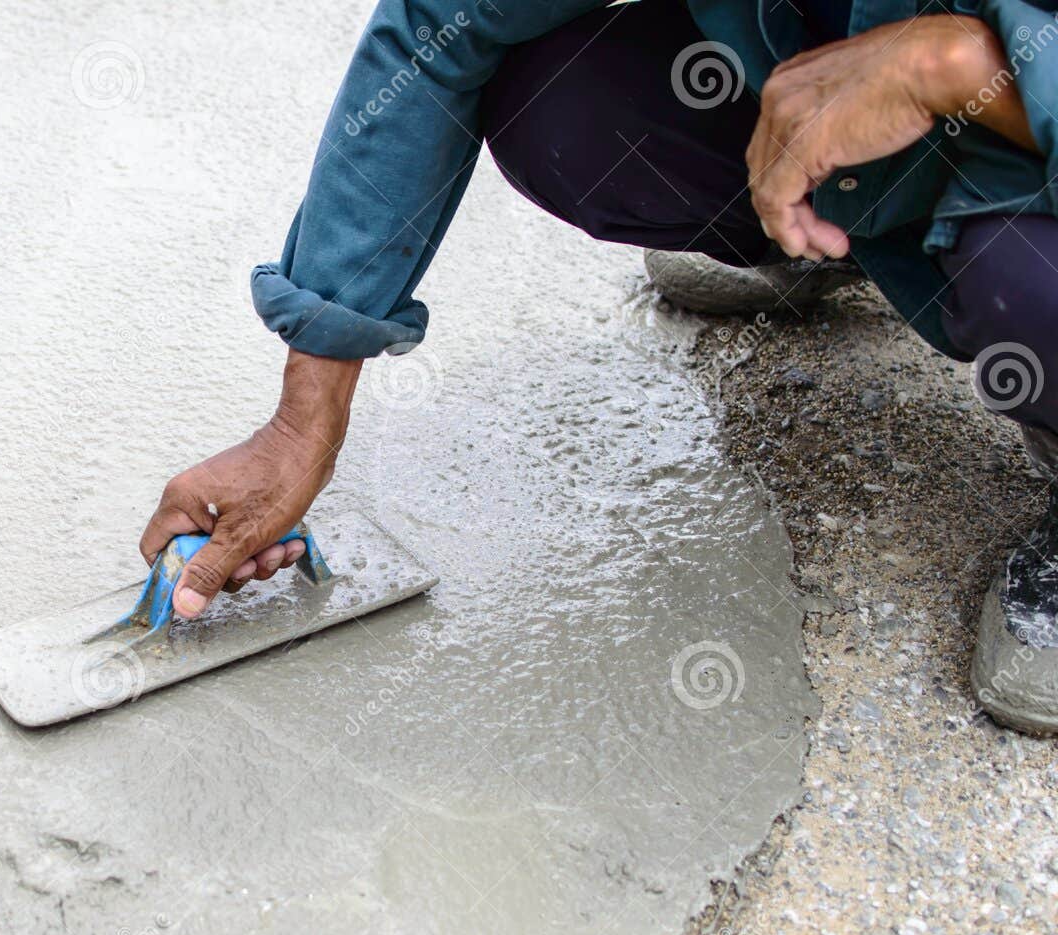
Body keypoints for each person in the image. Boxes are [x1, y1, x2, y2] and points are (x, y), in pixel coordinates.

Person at [136, 0, 1058, 734]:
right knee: (566, 104)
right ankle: (834, 225)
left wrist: (955, 68)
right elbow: (441, 27)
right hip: (879, 103)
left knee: (1025, 285)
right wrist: (305, 418)